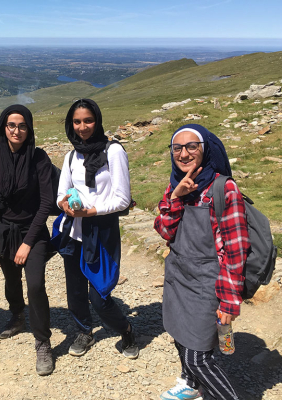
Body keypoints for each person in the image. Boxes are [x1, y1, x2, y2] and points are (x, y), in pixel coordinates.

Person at [154, 124, 249, 400]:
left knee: (199, 357)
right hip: (179, 275)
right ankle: (190, 383)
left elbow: (236, 248)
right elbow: (164, 230)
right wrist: (175, 197)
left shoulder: (223, 188)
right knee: (178, 332)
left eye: (191, 146)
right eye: (177, 148)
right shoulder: (174, 184)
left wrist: (230, 301)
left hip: (210, 281)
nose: (183, 154)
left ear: (205, 149)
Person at [54, 98, 139, 359]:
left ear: (98, 121)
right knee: (75, 290)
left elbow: (122, 199)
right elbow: (60, 194)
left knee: (99, 293)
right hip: (74, 232)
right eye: (77, 121)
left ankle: (126, 330)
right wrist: (66, 205)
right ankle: (84, 331)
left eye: (88, 120)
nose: (82, 127)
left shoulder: (113, 151)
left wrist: (90, 211)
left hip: (101, 231)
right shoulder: (71, 155)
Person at [0, 105, 54, 376]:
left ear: (30, 129)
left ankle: (43, 341)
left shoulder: (39, 158)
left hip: (33, 233)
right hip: (3, 231)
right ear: (3, 127)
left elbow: (47, 202)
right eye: (12, 125)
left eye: (22, 126)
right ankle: (17, 316)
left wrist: (27, 242)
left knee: (35, 285)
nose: (17, 130)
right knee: (11, 280)